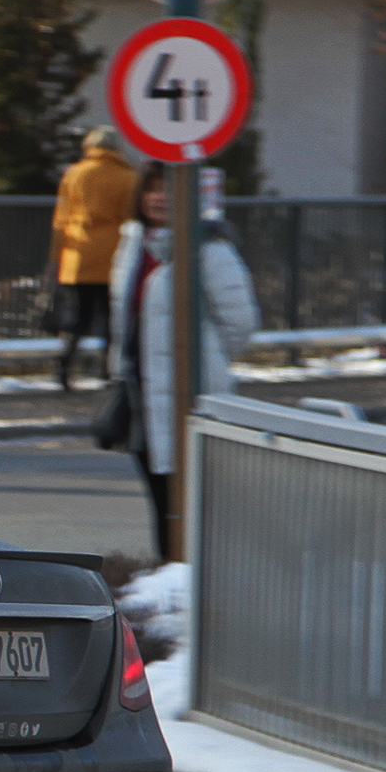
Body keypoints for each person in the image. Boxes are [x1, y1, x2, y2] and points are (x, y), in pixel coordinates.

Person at [110, 166, 258, 558]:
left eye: (169, 191)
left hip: (190, 394)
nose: (159, 198)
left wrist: (205, 361)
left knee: (194, 499)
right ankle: (170, 576)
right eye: (152, 190)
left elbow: (239, 320)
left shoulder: (208, 247)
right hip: (141, 393)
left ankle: (195, 579)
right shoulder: (134, 244)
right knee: (160, 498)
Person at [47, 126, 140, 390]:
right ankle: (108, 371)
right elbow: (131, 218)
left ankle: (63, 367)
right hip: (114, 256)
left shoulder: (74, 174)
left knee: (77, 317)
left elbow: (61, 219)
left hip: (78, 259)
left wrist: (56, 259)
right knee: (113, 318)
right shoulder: (128, 177)